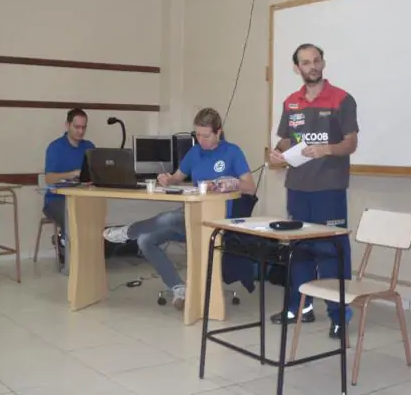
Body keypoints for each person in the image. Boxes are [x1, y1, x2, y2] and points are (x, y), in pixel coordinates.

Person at [102, 108, 256, 310]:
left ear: (218, 132)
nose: (201, 140)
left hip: (218, 221)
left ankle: (128, 231)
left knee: (168, 218)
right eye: (197, 135)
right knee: (145, 240)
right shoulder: (194, 152)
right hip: (191, 217)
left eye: (206, 136)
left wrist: (232, 183)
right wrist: (167, 180)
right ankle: (178, 287)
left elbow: (250, 187)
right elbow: (177, 178)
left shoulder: (232, 152)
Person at [269, 43, 358, 339]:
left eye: (316, 60)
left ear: (323, 63)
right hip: (297, 187)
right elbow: (286, 140)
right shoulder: (291, 102)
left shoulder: (342, 99)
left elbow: (351, 143)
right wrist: (276, 153)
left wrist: (326, 149)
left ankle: (339, 316)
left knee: (331, 251)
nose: (313, 66)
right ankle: (300, 308)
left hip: (329, 188)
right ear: (297, 68)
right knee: (299, 249)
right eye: (306, 62)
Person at [43, 108, 95, 266]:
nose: (80, 131)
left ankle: (89, 253)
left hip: (84, 197)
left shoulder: (89, 147)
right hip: (56, 200)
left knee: (98, 213)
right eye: (77, 127)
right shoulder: (55, 147)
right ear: (67, 125)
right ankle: (68, 249)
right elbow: (49, 178)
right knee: (73, 216)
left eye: (84, 127)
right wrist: (72, 174)